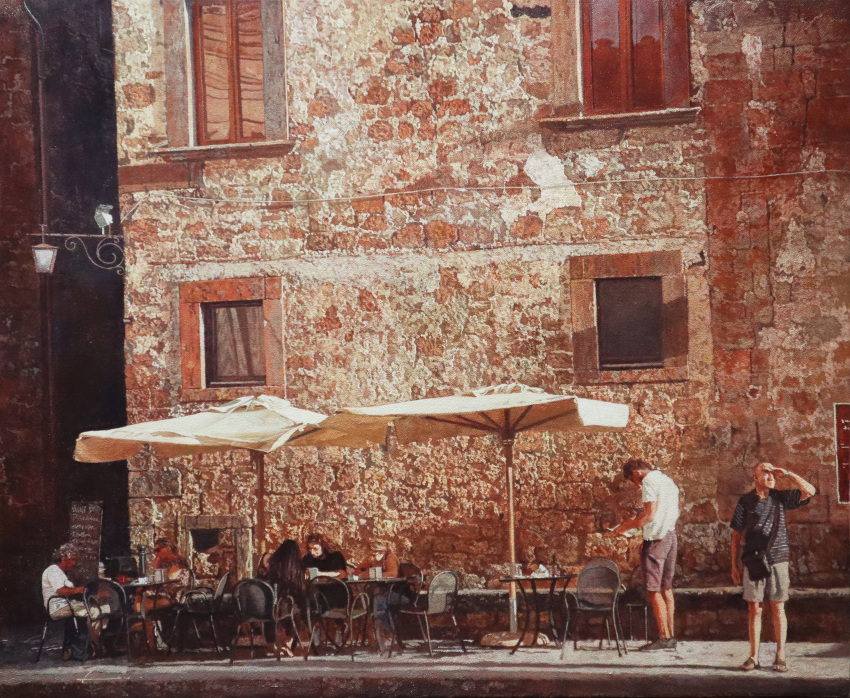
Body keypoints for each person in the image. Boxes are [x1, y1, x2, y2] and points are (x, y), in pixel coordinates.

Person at [730, 462, 816, 673]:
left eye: (772, 473)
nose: (770, 476)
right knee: (754, 609)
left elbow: (810, 491)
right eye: (765, 472)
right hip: (753, 559)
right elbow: (735, 535)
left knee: (778, 606)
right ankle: (753, 657)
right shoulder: (746, 501)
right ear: (755, 477)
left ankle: (781, 655)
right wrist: (734, 565)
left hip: (778, 558)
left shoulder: (780, 498)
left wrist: (787, 473)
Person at [613, 458, 680, 651]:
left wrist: (626, 526)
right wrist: (639, 525)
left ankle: (663, 636)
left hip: (657, 540)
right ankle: (670, 635)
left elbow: (650, 515)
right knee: (667, 588)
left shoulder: (649, 481)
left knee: (653, 589)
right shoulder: (668, 481)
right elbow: (659, 515)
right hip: (670, 535)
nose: (636, 485)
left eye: (634, 480)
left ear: (637, 473)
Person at [134, 537, 190, 650]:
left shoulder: (178, 561)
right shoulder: (163, 563)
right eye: (155, 551)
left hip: (173, 596)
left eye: (158, 550)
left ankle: (152, 644)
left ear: (168, 548)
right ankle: (153, 643)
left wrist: (156, 568)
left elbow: (170, 579)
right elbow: (158, 581)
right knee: (140, 602)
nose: (156, 554)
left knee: (141, 606)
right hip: (162, 594)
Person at [41, 543, 90, 661]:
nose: (74, 563)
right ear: (63, 559)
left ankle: (82, 647)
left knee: (93, 609)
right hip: (57, 607)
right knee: (92, 611)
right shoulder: (53, 571)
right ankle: (85, 648)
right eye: (72, 560)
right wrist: (77, 589)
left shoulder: (60, 573)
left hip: (65, 605)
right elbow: (61, 590)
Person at [266, 539, 308, 656]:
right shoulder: (297, 569)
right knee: (299, 610)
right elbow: (300, 591)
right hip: (288, 605)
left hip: (271, 604)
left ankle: (278, 642)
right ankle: (288, 642)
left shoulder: (273, 566)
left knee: (291, 611)